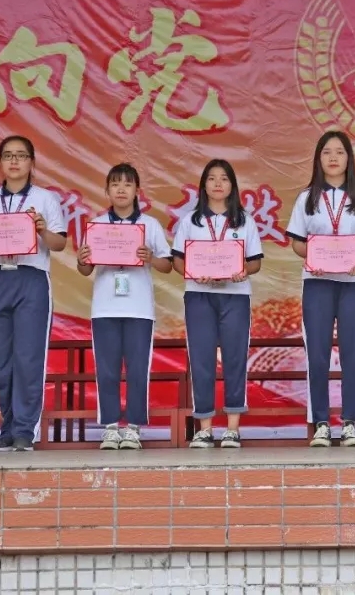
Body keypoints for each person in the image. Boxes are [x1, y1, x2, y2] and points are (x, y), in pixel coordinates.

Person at [0, 135, 67, 452]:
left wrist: (41, 230)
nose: (14, 161)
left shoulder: (46, 199)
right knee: (0, 362)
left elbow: (59, 243)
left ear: (32, 162)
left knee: (28, 358)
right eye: (8, 155)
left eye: (21, 155)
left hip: (31, 279)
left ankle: (25, 429)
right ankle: (8, 428)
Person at [286, 131, 355, 447]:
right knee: (318, 355)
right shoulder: (307, 197)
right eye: (327, 152)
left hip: (354, 284)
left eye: (340, 152)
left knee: (352, 354)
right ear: (318, 159)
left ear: (349, 158)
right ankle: (322, 422)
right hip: (317, 284)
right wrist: (313, 257)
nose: (334, 158)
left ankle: (350, 423)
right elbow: (297, 242)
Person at [76, 164, 173, 450]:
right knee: (106, 370)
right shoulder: (96, 226)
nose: (121, 189)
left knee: (137, 370)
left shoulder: (150, 225)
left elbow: (167, 265)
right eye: (115, 184)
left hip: (139, 308)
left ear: (137, 191)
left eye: (127, 184)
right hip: (104, 308)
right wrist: (82, 259)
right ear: (107, 191)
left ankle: (132, 428)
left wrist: (150, 257)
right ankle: (109, 428)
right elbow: (85, 269)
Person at [172, 159, 263, 448]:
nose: (218, 183)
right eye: (212, 178)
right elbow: (177, 260)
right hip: (199, 295)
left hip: (235, 295)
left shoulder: (244, 221)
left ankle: (232, 429)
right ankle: (205, 428)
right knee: (202, 359)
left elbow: (255, 262)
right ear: (203, 185)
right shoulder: (190, 221)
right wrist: (192, 272)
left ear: (232, 186)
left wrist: (242, 270)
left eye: (224, 178)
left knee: (235, 358)